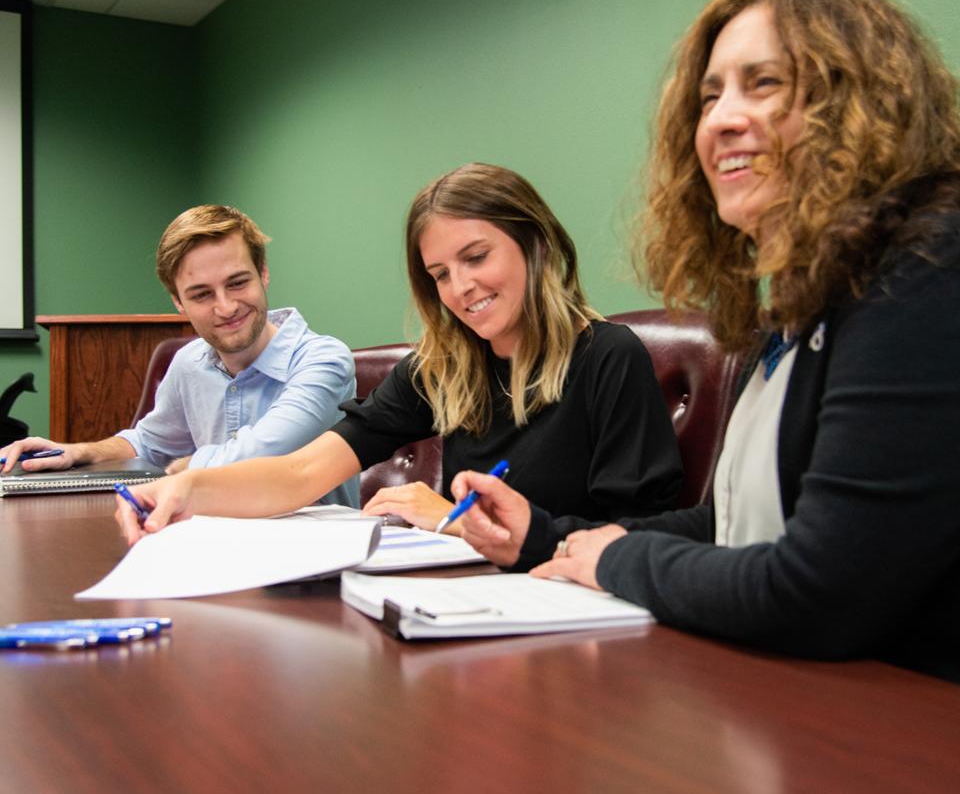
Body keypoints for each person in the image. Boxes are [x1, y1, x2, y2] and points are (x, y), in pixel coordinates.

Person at [456, 0, 960, 682]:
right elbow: (728, 524)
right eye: (710, 95)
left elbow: (822, 591)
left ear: (857, 102)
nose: (722, 119)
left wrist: (621, 559)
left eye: (763, 84)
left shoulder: (930, 262)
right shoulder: (796, 304)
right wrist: (545, 537)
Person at [114, 163, 683, 542]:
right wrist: (185, 489)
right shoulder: (441, 369)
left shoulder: (608, 356)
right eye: (440, 273)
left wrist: (460, 525)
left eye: (477, 257)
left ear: (534, 243)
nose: (460, 288)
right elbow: (301, 471)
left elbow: (636, 534)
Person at [2, 205, 359, 508]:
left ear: (263, 272)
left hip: (313, 561)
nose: (226, 306)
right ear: (178, 302)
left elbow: (263, 454)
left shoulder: (323, 360)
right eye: (202, 294)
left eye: (237, 283)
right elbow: (148, 443)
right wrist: (80, 452)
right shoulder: (189, 363)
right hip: (211, 543)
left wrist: (185, 469)